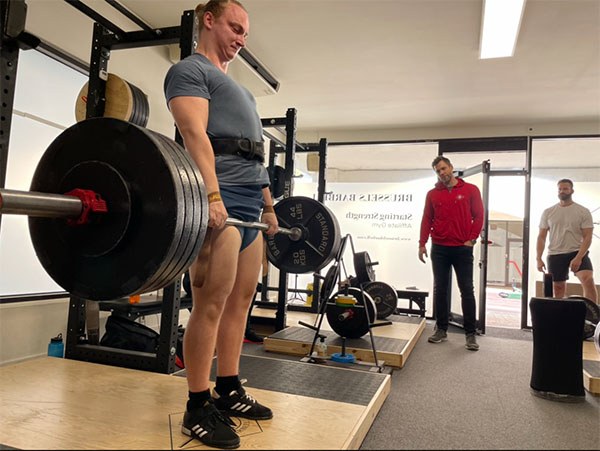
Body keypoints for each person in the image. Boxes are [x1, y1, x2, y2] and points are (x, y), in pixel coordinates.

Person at [163, 1, 276, 448]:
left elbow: (256, 155)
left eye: (245, 32)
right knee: (210, 301)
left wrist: (269, 207)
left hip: (251, 200)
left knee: (241, 301)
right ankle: (196, 405)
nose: (241, 38)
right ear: (208, 20)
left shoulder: (243, 91)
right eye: (235, 27)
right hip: (222, 198)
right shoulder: (191, 71)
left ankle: (228, 389)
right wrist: (211, 196)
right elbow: (195, 137)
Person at [418, 156, 484, 351]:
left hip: (462, 249)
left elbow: (479, 215)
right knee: (441, 289)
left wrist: (471, 239)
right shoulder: (432, 194)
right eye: (438, 171)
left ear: (451, 168)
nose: (442, 173)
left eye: (444, 169)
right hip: (439, 248)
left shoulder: (470, 190)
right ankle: (441, 329)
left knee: (467, 290)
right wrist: (422, 243)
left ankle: (470, 334)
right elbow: (427, 219)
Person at [536, 179, 597, 303]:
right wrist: (538, 258)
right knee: (558, 288)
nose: (562, 191)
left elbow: (587, 237)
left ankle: (593, 317)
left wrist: (579, 257)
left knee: (587, 279)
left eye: (565, 189)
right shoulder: (548, 212)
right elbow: (541, 237)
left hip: (577, 251)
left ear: (571, 191)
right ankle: (560, 318)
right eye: (560, 189)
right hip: (555, 253)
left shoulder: (582, 211)